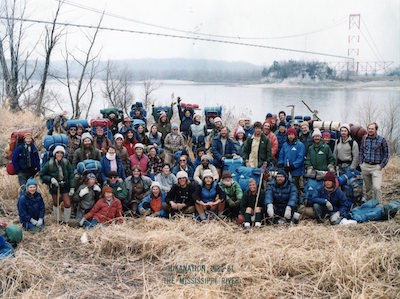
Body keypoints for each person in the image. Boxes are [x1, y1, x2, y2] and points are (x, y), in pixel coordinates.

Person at [40, 145, 75, 224]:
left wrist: (72, 187)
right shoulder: (50, 163)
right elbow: (42, 174)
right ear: (55, 154)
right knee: (56, 203)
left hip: (64, 185)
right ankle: (58, 220)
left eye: (61, 153)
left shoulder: (66, 162)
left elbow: (71, 175)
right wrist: (51, 179)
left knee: (67, 203)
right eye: (57, 153)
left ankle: (66, 221)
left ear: (63, 154)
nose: (59, 154)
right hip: (55, 186)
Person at [359, 122, 390, 201]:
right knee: (368, 189)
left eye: (372, 129)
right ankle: (369, 204)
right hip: (365, 166)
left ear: (376, 129)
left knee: (376, 188)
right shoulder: (364, 139)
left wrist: (381, 165)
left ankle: (378, 205)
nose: (370, 130)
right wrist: (361, 163)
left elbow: (387, 153)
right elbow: (361, 151)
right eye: (369, 128)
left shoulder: (381, 140)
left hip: (376, 167)